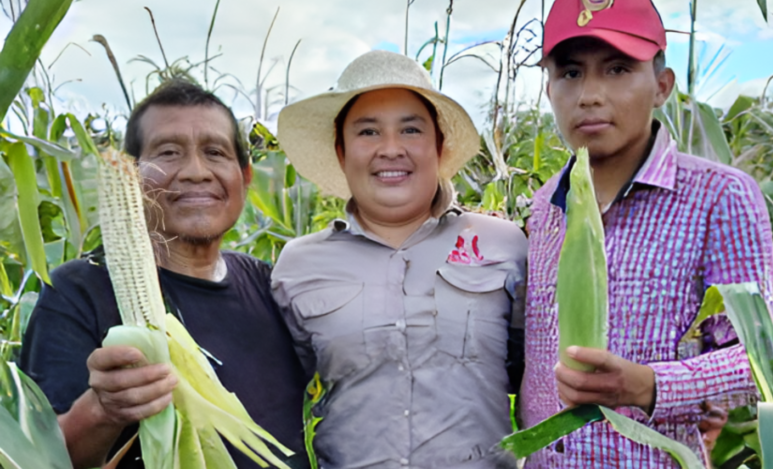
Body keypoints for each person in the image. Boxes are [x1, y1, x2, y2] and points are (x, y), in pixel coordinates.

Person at [518, 0, 773, 467]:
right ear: (549, 87)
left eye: (617, 70)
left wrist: (649, 386)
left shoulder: (719, 197)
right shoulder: (543, 207)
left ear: (661, 86)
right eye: (571, 73)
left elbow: (760, 361)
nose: (590, 95)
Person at [19, 79, 311, 469]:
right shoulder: (78, 292)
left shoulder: (268, 281)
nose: (195, 172)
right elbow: (40, 457)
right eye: (168, 153)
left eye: (215, 152)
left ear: (245, 176)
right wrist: (102, 410)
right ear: (132, 175)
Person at [274, 50, 526, 469]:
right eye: (368, 132)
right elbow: (277, 398)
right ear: (341, 151)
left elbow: (539, 378)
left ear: (438, 146)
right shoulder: (297, 265)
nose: (390, 149)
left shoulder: (506, 245)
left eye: (410, 130)